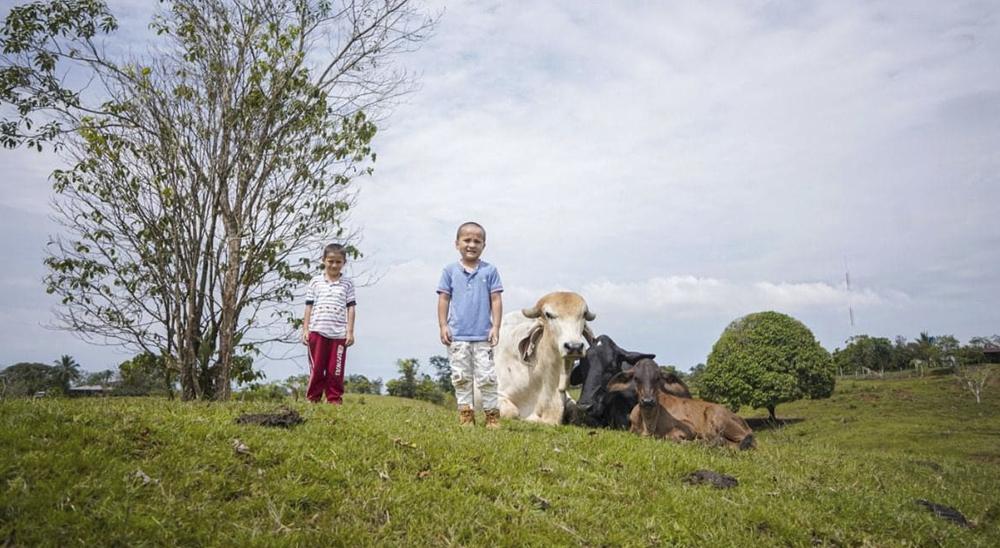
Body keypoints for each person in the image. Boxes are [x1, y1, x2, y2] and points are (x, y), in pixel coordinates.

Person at [437, 222, 504, 428]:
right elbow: (444, 299)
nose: (471, 244)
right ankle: (466, 414)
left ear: (484, 245)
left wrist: (496, 327)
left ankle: (492, 416)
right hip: (457, 335)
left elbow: (496, 299)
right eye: (467, 240)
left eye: (477, 241)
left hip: (483, 335)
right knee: (461, 377)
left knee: (486, 377)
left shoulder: (490, 270)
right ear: (457, 243)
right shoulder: (449, 271)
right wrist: (443, 325)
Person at [301, 243, 356, 404]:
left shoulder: (348, 284)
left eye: (338, 262)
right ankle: (313, 398)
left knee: (335, 369)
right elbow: (308, 306)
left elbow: (351, 308)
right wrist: (305, 329)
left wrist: (350, 332)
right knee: (317, 368)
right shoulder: (315, 282)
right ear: (324, 260)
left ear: (344, 263)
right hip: (317, 331)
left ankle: (334, 399)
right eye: (331, 261)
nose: (334, 265)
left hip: (339, 334)